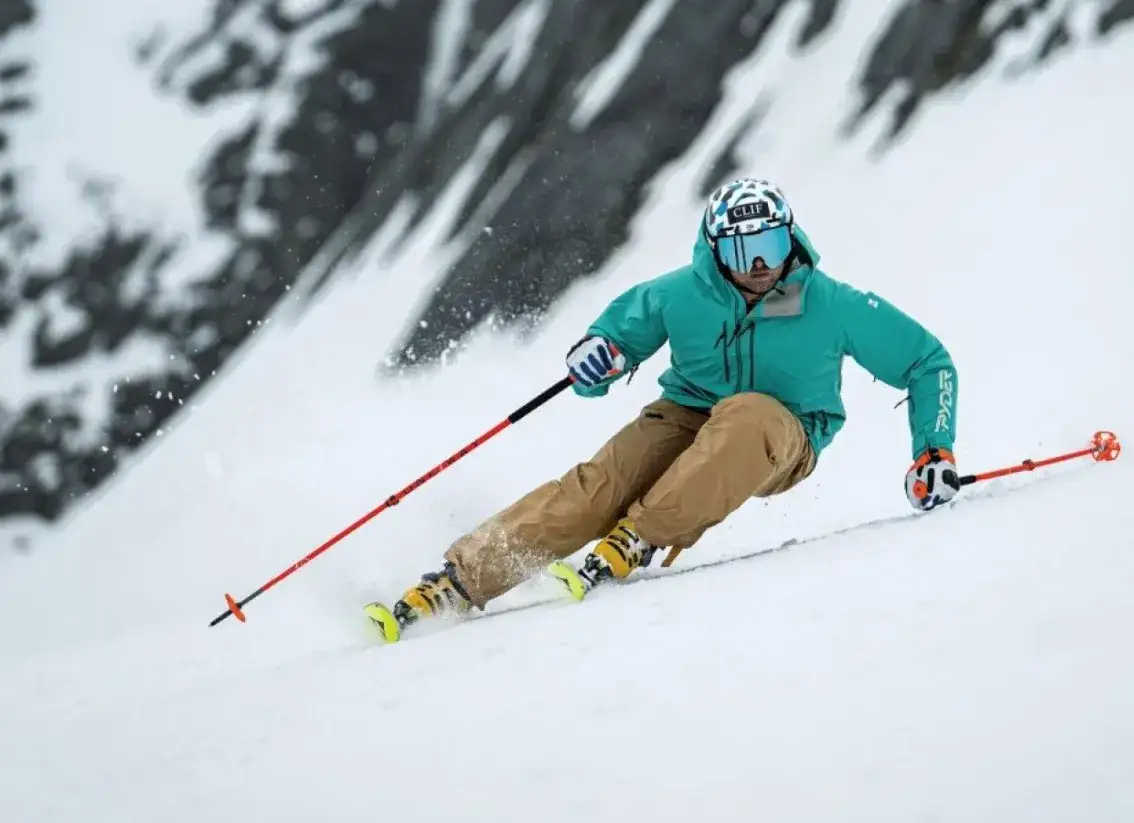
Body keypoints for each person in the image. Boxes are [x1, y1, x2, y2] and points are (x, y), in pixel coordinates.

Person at [364, 177, 960, 642]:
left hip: (783, 432)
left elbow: (928, 361)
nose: (760, 264)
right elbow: (616, 337)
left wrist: (932, 450)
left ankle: (639, 538)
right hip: (686, 412)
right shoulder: (682, 293)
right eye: (744, 249)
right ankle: (460, 580)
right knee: (599, 486)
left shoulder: (832, 303)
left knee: (748, 414)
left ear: (791, 239)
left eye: (772, 245)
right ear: (716, 249)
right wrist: (599, 356)